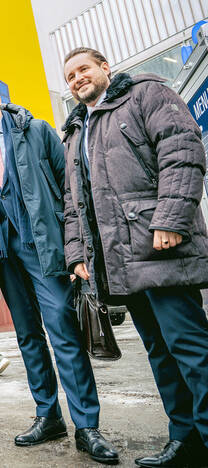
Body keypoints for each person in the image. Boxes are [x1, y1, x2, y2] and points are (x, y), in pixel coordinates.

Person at [0, 78, 119, 464]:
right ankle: (48, 416)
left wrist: (75, 244)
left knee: (62, 332)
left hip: (43, 247)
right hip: (3, 254)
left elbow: (69, 187)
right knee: (28, 337)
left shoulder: (36, 130)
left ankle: (87, 426)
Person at [62, 47, 208, 467]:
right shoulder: (75, 131)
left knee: (191, 349)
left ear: (105, 68)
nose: (76, 80)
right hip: (118, 261)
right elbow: (74, 203)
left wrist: (171, 219)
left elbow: (181, 150)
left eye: (83, 70)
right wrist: (77, 253)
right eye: (69, 76)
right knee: (160, 352)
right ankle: (185, 437)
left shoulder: (146, 94)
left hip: (161, 246)